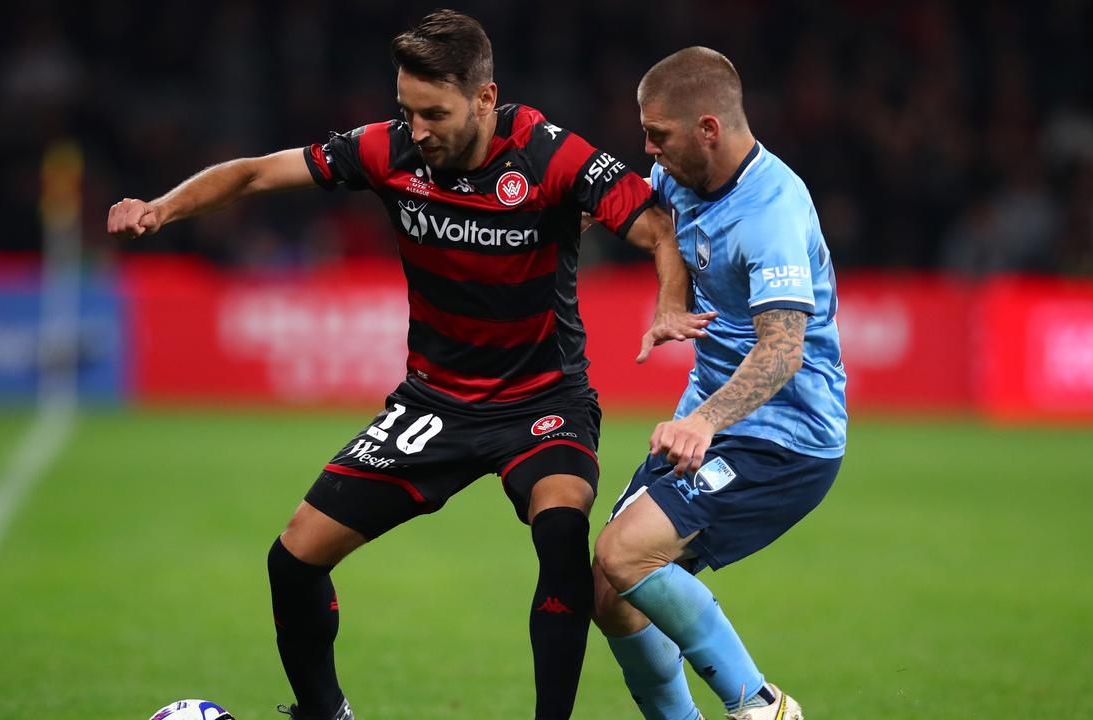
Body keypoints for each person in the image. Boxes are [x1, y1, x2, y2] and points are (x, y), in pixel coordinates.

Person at [107, 11, 709, 720]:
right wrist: (160, 208)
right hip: (433, 405)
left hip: (542, 401)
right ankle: (325, 713)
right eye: (406, 110)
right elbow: (252, 176)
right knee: (293, 558)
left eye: (434, 113)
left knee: (562, 531)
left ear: (485, 100)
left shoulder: (550, 155)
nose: (417, 129)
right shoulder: (388, 151)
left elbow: (655, 224)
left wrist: (671, 305)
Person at [592, 47, 847, 720]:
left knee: (625, 552)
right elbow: (663, 224)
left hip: (786, 437)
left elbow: (783, 349)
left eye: (659, 136)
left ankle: (762, 707)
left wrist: (703, 420)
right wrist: (670, 294)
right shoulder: (682, 173)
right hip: (718, 423)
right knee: (609, 592)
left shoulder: (772, 212)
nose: (647, 149)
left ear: (709, 128)